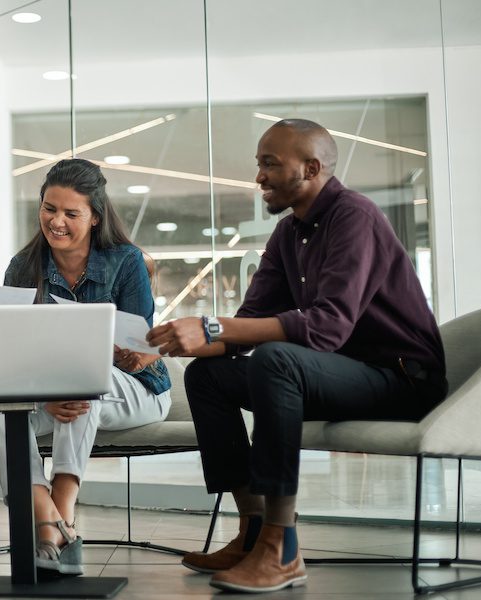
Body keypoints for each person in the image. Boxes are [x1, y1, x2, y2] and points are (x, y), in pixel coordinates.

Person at [147, 119, 448, 593]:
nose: (259, 176)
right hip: (336, 374)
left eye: (270, 163)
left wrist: (211, 325)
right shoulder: (289, 234)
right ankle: (251, 531)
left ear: (310, 168)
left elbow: (326, 327)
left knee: (277, 359)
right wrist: (163, 345)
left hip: (401, 379)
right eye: (259, 164)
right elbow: (246, 327)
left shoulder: (356, 217)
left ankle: (282, 547)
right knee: (209, 376)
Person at [0, 158, 172, 576]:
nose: (57, 222)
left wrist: (129, 353)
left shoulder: (125, 261)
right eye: (49, 209)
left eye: (71, 213)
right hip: (53, 392)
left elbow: (144, 344)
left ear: (95, 217)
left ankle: (58, 515)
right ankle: (46, 518)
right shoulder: (23, 267)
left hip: (135, 389)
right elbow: (13, 350)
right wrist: (45, 393)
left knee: (80, 379)